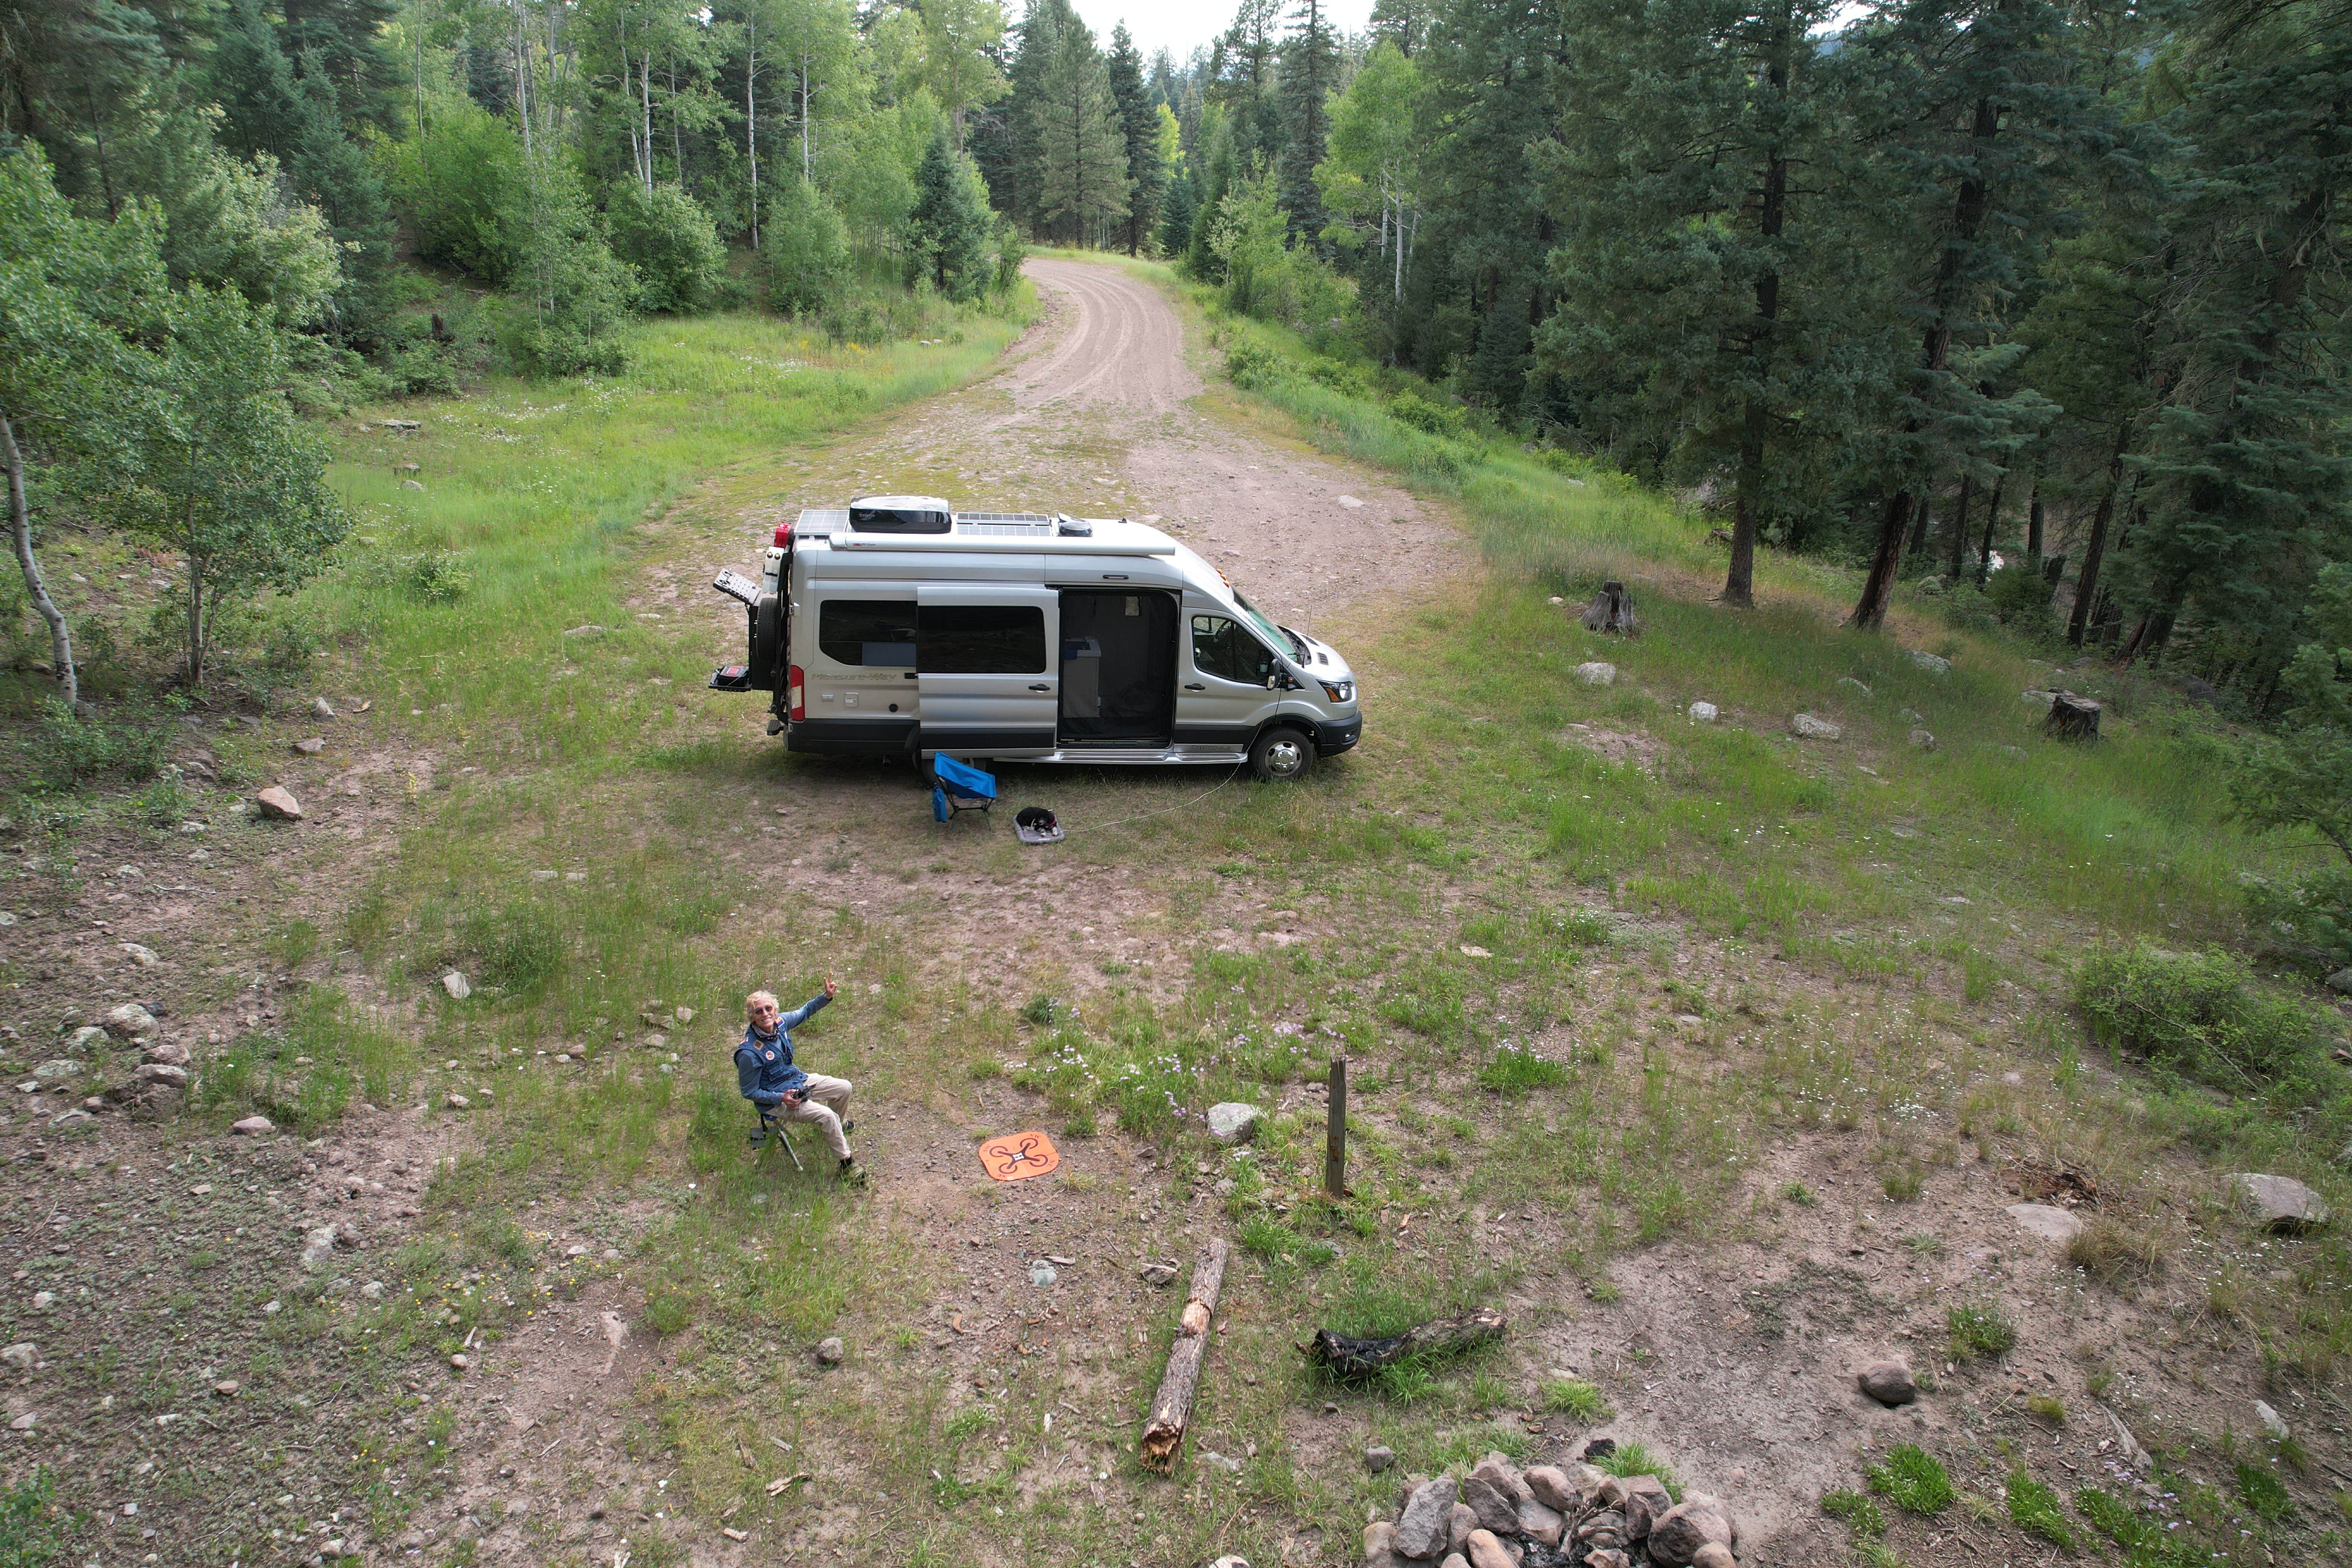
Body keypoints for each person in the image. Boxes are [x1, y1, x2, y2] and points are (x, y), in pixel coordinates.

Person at [736, 980, 864, 1182]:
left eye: (768, 1008)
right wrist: (781, 1098)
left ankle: (837, 1128)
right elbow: (749, 1092)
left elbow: (805, 1012)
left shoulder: (780, 1024)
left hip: (797, 1082)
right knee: (827, 1115)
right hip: (776, 1100)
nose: (765, 1014)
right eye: (758, 1011)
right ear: (752, 1017)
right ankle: (847, 1166)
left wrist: (827, 997)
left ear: (775, 1010)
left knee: (844, 1088)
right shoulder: (749, 1053)